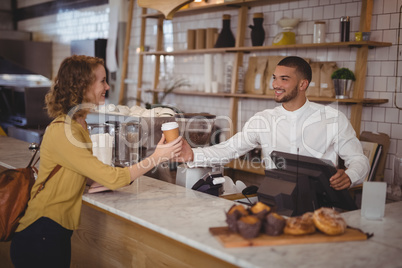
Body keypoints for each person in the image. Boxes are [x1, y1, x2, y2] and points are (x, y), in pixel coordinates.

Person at [10, 55, 183, 268]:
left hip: (53, 233)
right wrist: (156, 158)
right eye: (102, 80)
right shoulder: (65, 130)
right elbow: (110, 177)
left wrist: (92, 181)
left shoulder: (79, 123)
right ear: (82, 86)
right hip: (40, 234)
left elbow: (81, 169)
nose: (107, 86)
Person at [179, 56, 369, 190]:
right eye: (274, 78)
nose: (276, 85)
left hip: (320, 205)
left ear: (303, 84)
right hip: (276, 200)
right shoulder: (264, 119)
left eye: (284, 79)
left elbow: (359, 160)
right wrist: (192, 155)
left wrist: (350, 176)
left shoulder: (332, 119)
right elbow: (229, 149)